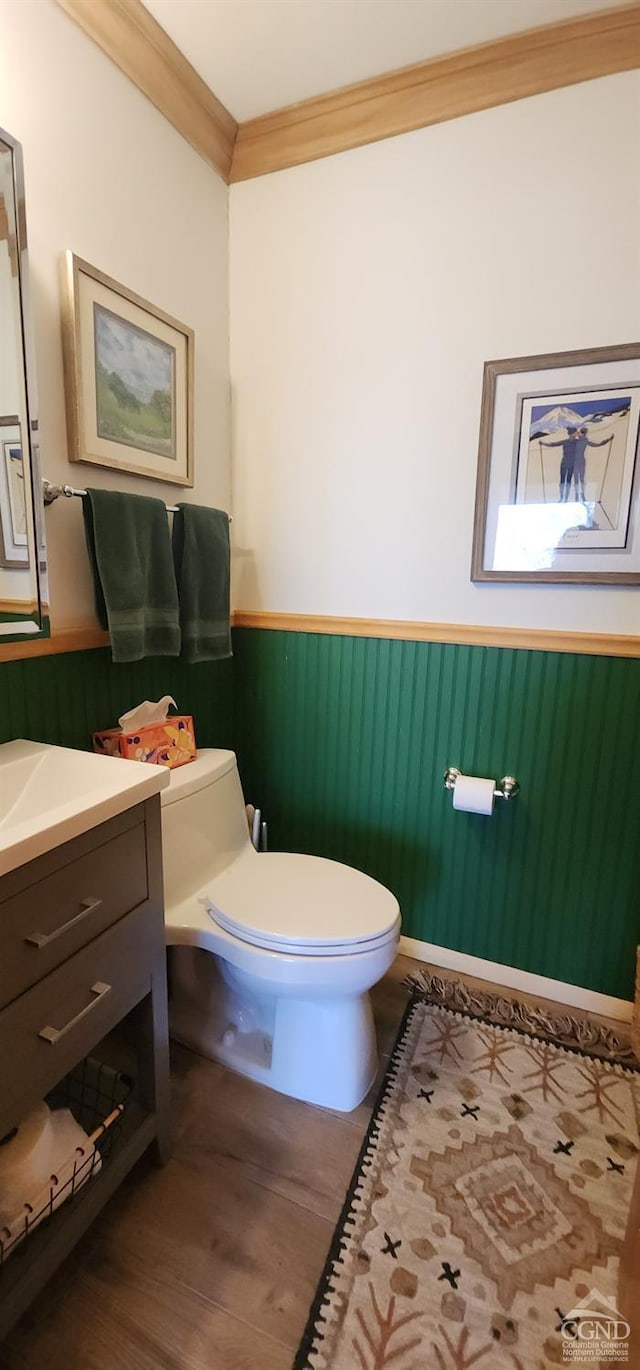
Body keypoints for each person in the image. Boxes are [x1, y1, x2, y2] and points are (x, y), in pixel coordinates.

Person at [572, 426, 611, 503]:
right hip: (575, 461)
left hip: (581, 461)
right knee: (576, 479)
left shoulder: (585, 441)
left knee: (581, 479)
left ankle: (582, 494)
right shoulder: (576, 440)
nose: (582, 434)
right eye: (581, 432)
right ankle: (576, 495)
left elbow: (597, 444)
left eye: (583, 432)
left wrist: (607, 440)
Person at [540, 427, 578, 501]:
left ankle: (565, 498)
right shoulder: (569, 442)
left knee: (567, 482)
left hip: (570, 464)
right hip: (565, 464)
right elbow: (553, 444)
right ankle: (562, 497)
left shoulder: (576, 442)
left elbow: (553, 444)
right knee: (563, 482)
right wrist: (543, 443)